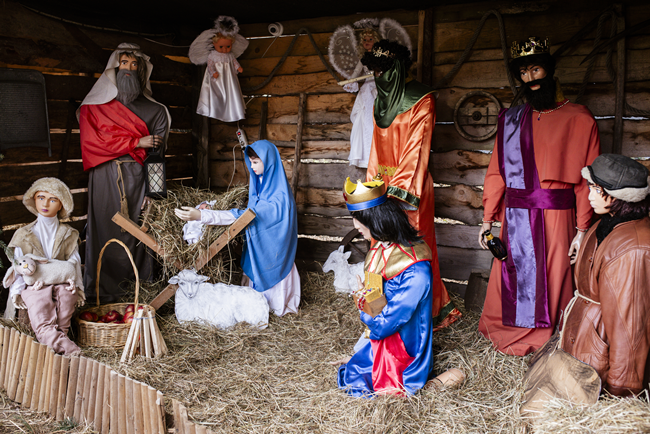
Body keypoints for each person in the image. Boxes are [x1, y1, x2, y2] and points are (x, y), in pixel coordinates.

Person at [478, 37, 601, 356]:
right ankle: (508, 330)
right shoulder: (510, 120)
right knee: (511, 271)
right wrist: (489, 220)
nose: (531, 78)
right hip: (514, 214)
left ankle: (547, 334)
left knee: (553, 275)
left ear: (549, 69)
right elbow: (496, 173)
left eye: (536, 69)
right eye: (524, 72)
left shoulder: (580, 118)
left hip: (557, 218)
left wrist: (582, 230)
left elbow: (585, 183)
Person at [361, 39, 460, 331]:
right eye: (375, 71)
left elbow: (417, 150)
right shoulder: (381, 101)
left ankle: (418, 317)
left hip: (410, 189)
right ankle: (378, 313)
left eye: (384, 70)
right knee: (378, 246)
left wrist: (397, 195)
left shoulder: (423, 99)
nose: (379, 77)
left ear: (398, 70)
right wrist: (372, 190)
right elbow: (376, 150)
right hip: (383, 186)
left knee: (411, 248)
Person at [333, 177, 463, 397]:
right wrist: (366, 297)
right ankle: (372, 361)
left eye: (360, 223)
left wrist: (363, 303)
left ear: (376, 221)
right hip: (386, 335)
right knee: (354, 371)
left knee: (384, 389)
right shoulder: (380, 250)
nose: (357, 229)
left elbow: (385, 323)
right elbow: (379, 302)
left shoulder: (416, 271)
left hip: (404, 348)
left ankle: (418, 385)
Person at [79, 43, 171, 303]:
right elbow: (91, 145)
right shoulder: (93, 108)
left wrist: (154, 192)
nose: (129, 69)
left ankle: (139, 295)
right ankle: (101, 297)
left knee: (139, 234)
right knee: (104, 232)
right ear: (113, 68)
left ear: (142, 71)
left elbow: (157, 157)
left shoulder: (156, 111)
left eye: (134, 65)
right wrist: (136, 142)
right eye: (124, 63)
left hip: (139, 181)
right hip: (105, 179)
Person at [559, 154, 650, 396]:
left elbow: (629, 327)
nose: (589, 195)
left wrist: (621, 390)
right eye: (590, 187)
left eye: (597, 189)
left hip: (600, 365)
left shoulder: (632, 249)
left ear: (620, 196)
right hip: (585, 348)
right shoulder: (606, 223)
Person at [175, 140, 299, 316]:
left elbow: (246, 215)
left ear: (269, 162)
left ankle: (275, 304)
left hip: (274, 251)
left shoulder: (279, 196)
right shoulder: (261, 188)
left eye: (256, 162)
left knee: (273, 301)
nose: (252, 166)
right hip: (260, 248)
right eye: (251, 161)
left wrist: (202, 216)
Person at [3, 178, 85, 355]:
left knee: (67, 297)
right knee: (39, 305)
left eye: (52, 199)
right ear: (33, 200)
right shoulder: (24, 234)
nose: (45, 203)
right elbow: (18, 265)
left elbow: (75, 262)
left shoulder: (68, 234)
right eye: (40, 197)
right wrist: (16, 292)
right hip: (35, 284)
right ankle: (67, 347)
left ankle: (60, 339)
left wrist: (78, 287)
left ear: (62, 205)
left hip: (62, 281)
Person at [190, 16, 248, 122]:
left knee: (231, 93)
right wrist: (213, 73)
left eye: (228, 46)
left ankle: (232, 111)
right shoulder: (213, 55)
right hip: (217, 79)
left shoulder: (230, 55)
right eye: (221, 47)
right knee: (216, 94)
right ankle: (215, 110)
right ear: (214, 44)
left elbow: (234, 62)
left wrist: (238, 67)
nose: (225, 49)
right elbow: (210, 65)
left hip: (229, 78)